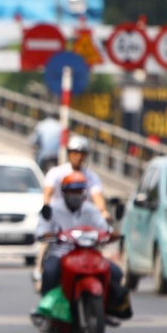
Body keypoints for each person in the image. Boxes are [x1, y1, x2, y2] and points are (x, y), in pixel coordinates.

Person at [35, 173, 131, 319]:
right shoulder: (53, 209)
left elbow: (105, 229)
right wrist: (50, 235)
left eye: (79, 191)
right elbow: (41, 231)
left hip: (89, 254)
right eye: (72, 191)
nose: (75, 195)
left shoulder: (91, 210)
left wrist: (112, 235)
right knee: (50, 272)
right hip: (61, 254)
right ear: (64, 192)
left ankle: (109, 307)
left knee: (115, 272)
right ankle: (47, 310)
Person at [42, 135, 109, 219]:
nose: (78, 157)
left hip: (82, 220)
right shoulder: (55, 173)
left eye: (82, 153)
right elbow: (48, 192)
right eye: (75, 153)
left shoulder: (91, 177)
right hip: (58, 218)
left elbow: (98, 198)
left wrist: (103, 212)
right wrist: (46, 207)